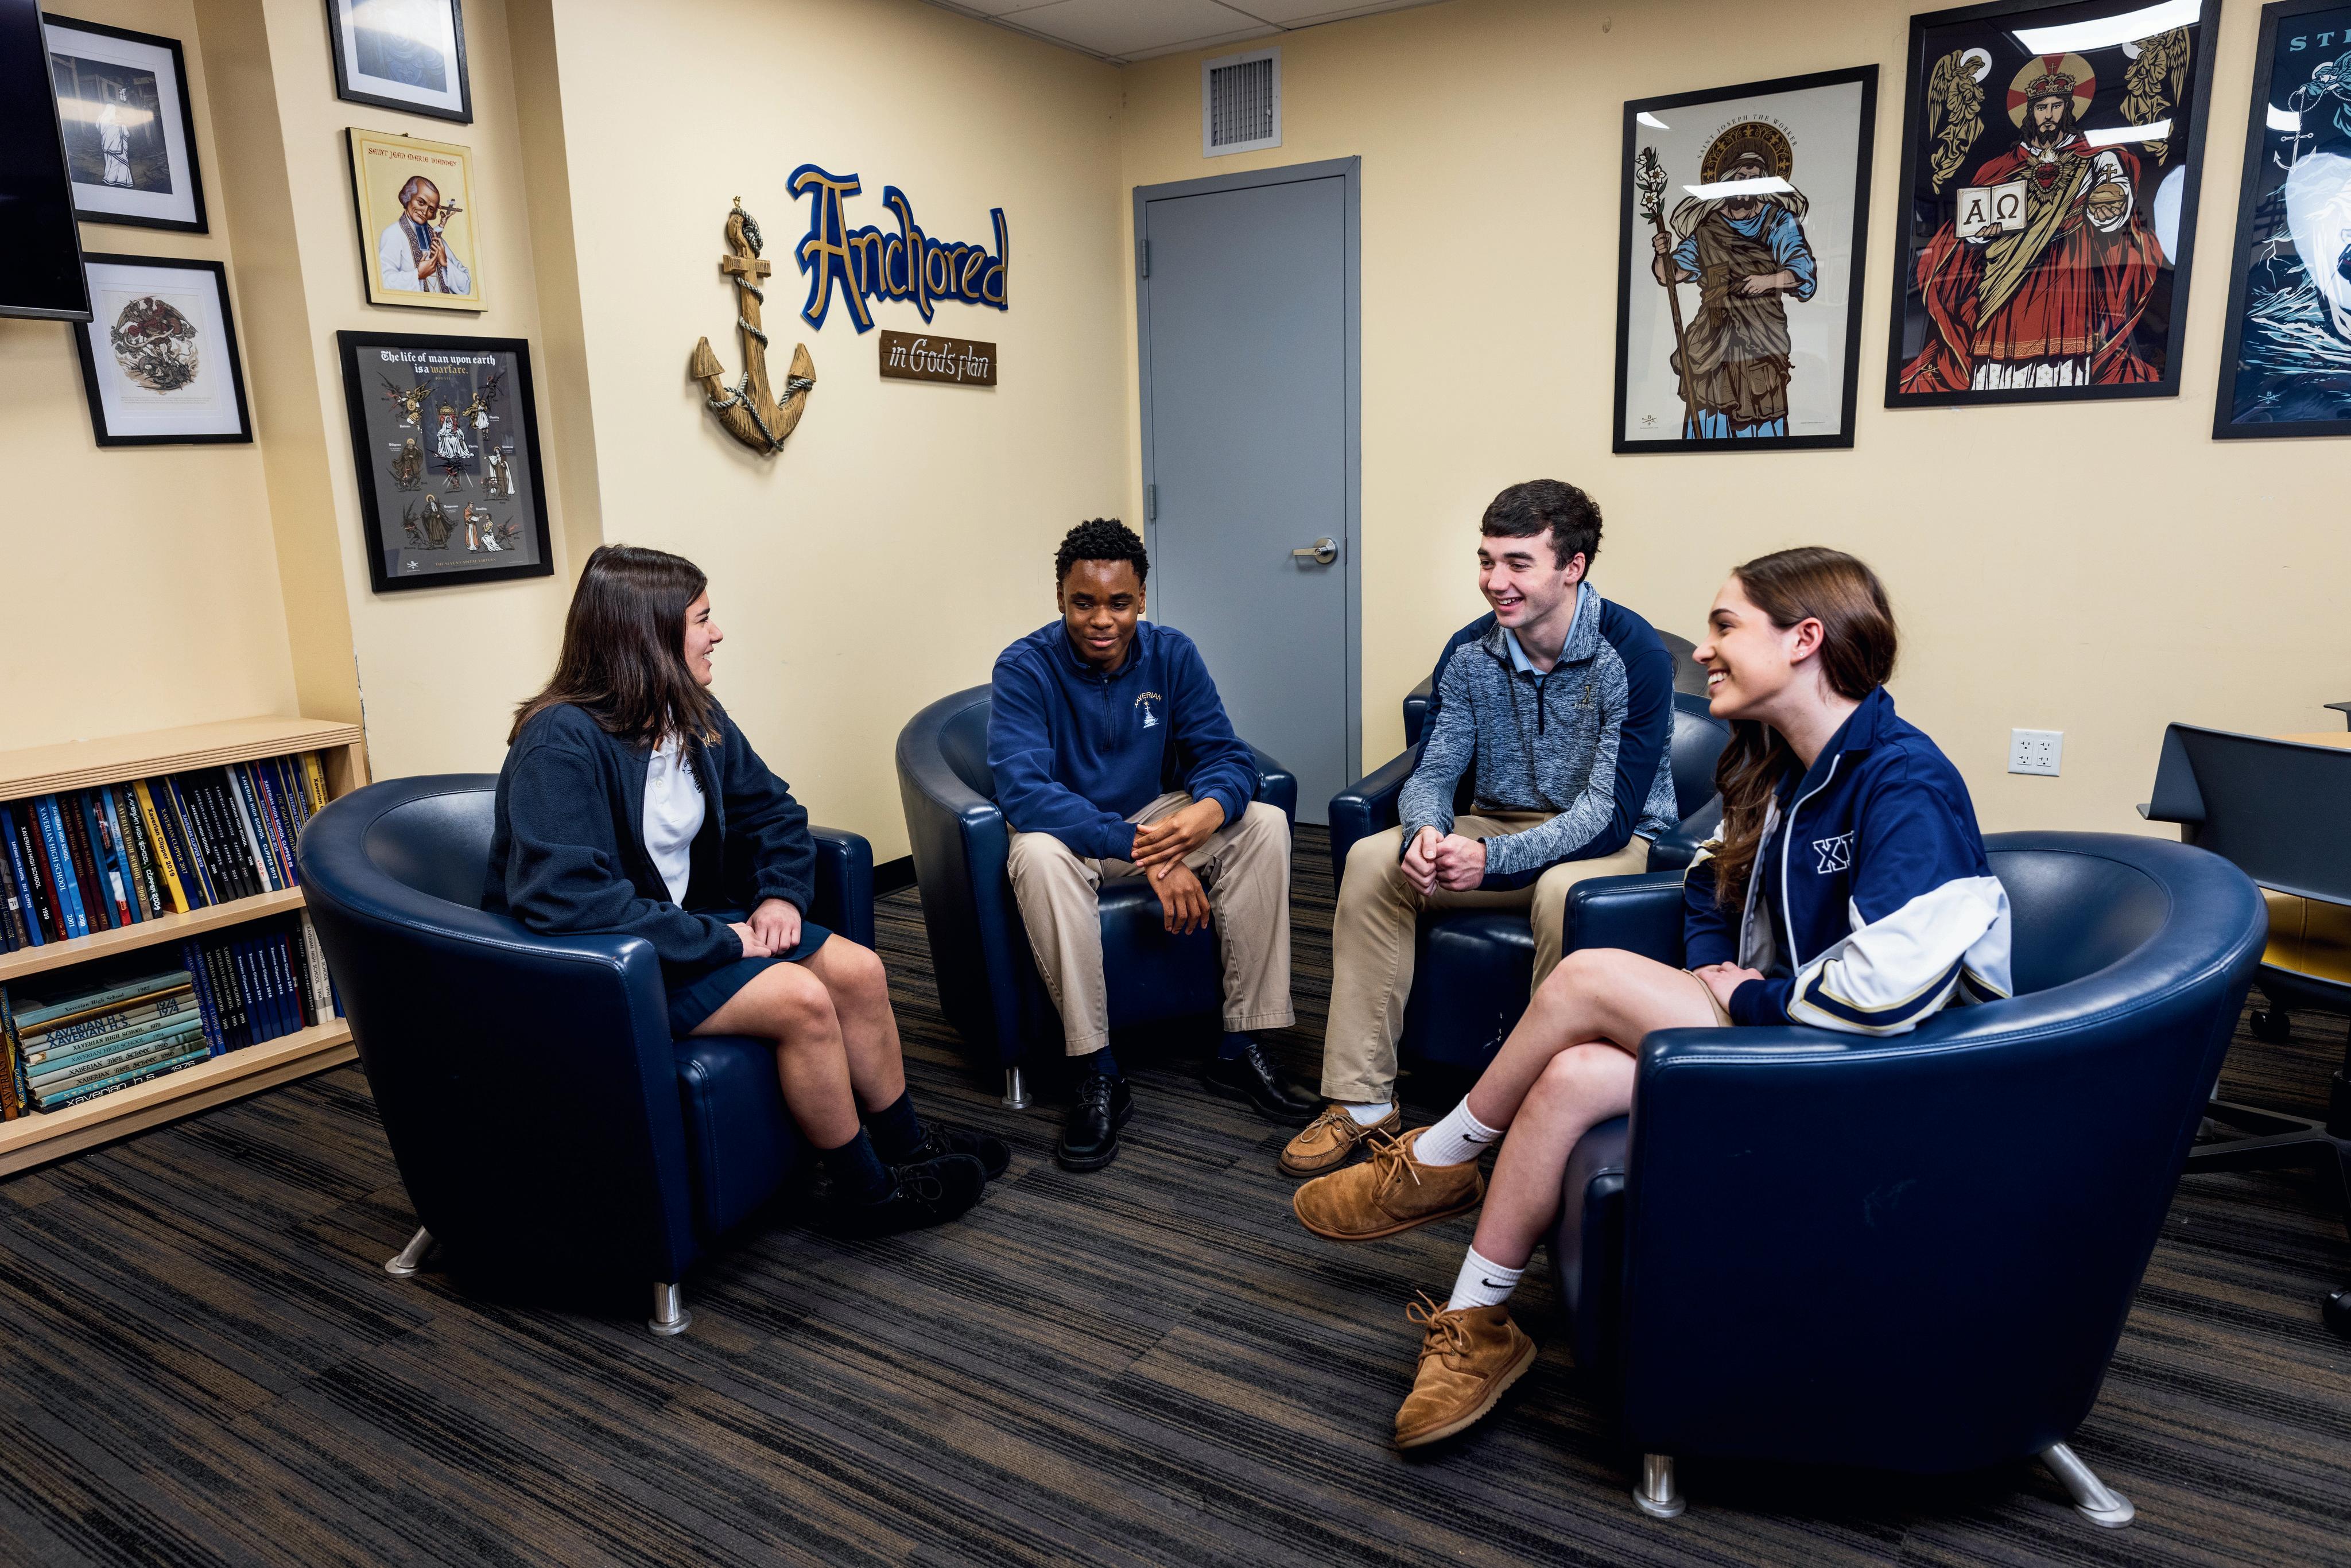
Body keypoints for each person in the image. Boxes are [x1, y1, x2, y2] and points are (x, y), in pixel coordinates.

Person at [1291, 547, 2012, 1449]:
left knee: (1586, 977)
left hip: (1889, 1074)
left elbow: (1889, 992)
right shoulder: (1778, 762)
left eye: (1724, 627)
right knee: (1569, 1077)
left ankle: (1439, 1157)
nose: (1702, 651)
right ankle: (1477, 1320)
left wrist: (1752, 1000)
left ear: (1804, 640)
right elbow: (1710, 881)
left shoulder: (1904, 779)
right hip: (1802, 1042)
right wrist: (1713, 973)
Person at [486, 544, 1006, 1236]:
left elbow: (774, 813)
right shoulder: (559, 741)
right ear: (648, 633)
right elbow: (566, 898)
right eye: (702, 619)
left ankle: (906, 1144)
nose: (718, 633)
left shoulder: (691, 711)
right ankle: (867, 1191)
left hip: (685, 929)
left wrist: (780, 895)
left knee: (859, 971)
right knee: (802, 999)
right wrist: (720, 938)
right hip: (613, 961)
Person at [1280, 480, 1679, 1180]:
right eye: (1487, 560)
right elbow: (1433, 771)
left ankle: (1535, 1111)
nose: (1496, 581)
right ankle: (1362, 1099)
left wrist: (1491, 859)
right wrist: (1425, 834)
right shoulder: (1469, 650)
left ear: (1573, 566)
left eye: (1518, 563)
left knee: (1561, 892)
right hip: (1498, 820)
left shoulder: (1633, 653)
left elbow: (1608, 813)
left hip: (1616, 840)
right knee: (1374, 860)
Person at [990, 519, 1312, 1172]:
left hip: (1150, 818)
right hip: (1072, 832)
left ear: (1141, 597)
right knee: (1034, 854)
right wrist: (1148, 852)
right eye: (1084, 602)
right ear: (1060, 598)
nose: (1101, 620)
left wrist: (1210, 809)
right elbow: (1024, 792)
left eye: (1119, 602)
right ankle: (1096, 1068)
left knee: (1263, 823)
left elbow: (1224, 754)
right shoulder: (1023, 666)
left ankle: (1241, 1044)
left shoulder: (1173, 654)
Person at [1899, 54, 2162, 393]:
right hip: (2004, 282)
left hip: (2066, 273)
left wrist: (2106, 204)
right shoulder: (2001, 168)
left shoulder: (2097, 158)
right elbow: (1971, 223)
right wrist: (1981, 237)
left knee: (2062, 367)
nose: (2048, 115)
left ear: (2068, 109)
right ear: (2030, 113)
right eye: (2041, 108)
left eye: (2056, 106)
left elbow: (2115, 199)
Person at [1650, 136, 1818, 438]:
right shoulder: (1708, 228)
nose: (1747, 185)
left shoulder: (1778, 220)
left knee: (1760, 413)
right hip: (1713, 335)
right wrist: (1661, 254)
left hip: (1759, 333)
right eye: (1741, 177)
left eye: (1755, 179)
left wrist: (1767, 281)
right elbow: (1671, 275)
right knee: (1709, 416)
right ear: (1727, 181)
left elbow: (1801, 270)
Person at [378, 176, 472, 296]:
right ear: (408, 197)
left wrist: (446, 263)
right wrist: (417, 275)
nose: (425, 211)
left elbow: (466, 285)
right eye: (421, 202)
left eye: (431, 209)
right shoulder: (393, 234)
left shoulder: (437, 240)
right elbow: (384, 282)